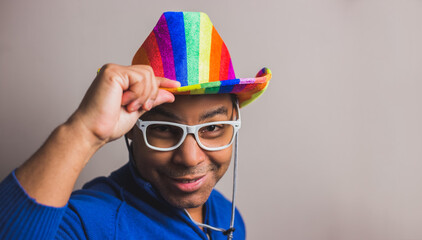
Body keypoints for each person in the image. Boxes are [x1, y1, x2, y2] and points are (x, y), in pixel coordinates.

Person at [0, 11, 271, 240]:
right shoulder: (90, 223)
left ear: (234, 123)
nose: (190, 158)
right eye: (164, 129)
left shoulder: (227, 215)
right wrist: (84, 131)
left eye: (212, 128)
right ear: (131, 129)